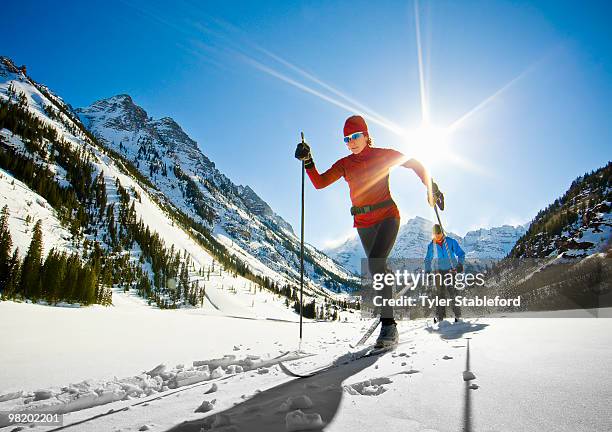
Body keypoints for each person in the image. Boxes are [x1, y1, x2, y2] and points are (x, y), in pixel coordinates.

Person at [295, 115, 443, 348]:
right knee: (378, 268)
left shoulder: (382, 155)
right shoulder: (344, 164)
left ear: (366, 135)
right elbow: (320, 182)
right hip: (363, 223)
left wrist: (431, 186)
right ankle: (387, 278)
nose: (351, 142)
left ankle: (389, 327)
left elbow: (414, 162)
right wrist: (308, 161)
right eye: (346, 139)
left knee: (375, 263)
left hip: (387, 217)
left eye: (355, 136)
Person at [424, 223, 465, 323]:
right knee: (439, 294)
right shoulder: (431, 245)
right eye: (435, 234)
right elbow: (428, 259)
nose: (437, 236)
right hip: (439, 271)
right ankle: (440, 316)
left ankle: (457, 315)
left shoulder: (450, 242)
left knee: (453, 292)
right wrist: (428, 271)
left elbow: (461, 253)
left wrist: (460, 264)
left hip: (451, 270)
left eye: (439, 233)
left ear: (442, 233)